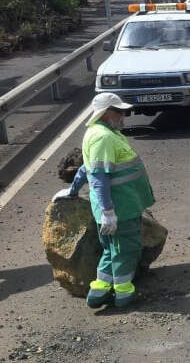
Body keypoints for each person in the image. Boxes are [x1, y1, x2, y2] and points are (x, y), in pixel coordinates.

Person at [52, 92, 155, 308]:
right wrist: (109, 213)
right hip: (120, 209)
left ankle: (99, 291)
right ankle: (124, 293)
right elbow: (98, 178)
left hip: (118, 208)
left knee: (111, 250)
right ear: (106, 113)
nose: (123, 115)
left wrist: (73, 190)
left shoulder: (99, 132)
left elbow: (85, 168)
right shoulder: (103, 138)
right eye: (119, 111)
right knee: (126, 250)